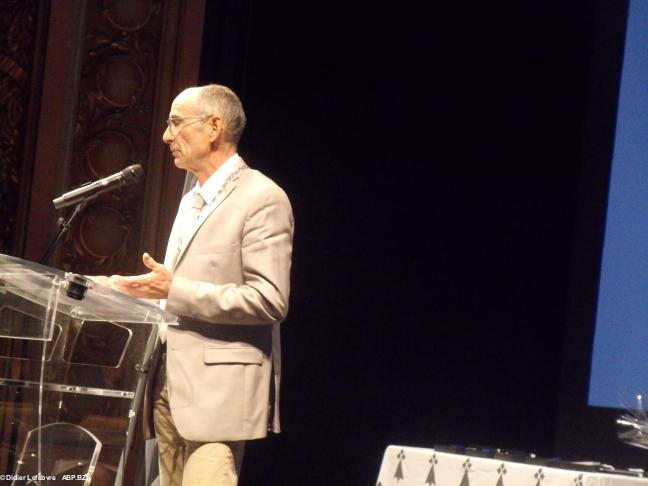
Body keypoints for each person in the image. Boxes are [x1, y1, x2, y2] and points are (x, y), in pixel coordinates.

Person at [111, 84, 294, 486]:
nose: (165, 136)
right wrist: (126, 291)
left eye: (176, 123)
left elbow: (269, 300)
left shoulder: (263, 198)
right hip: (167, 383)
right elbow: (174, 288)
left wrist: (174, 290)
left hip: (219, 397)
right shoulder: (191, 197)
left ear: (214, 126)